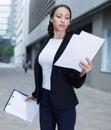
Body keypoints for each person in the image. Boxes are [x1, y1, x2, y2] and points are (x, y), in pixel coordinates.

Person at [26, 4, 93, 130]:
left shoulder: (73, 43)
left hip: (64, 102)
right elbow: (43, 72)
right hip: (45, 100)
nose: (63, 20)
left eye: (67, 18)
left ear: (69, 21)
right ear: (51, 19)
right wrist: (36, 93)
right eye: (59, 16)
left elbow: (75, 82)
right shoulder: (45, 42)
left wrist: (82, 73)